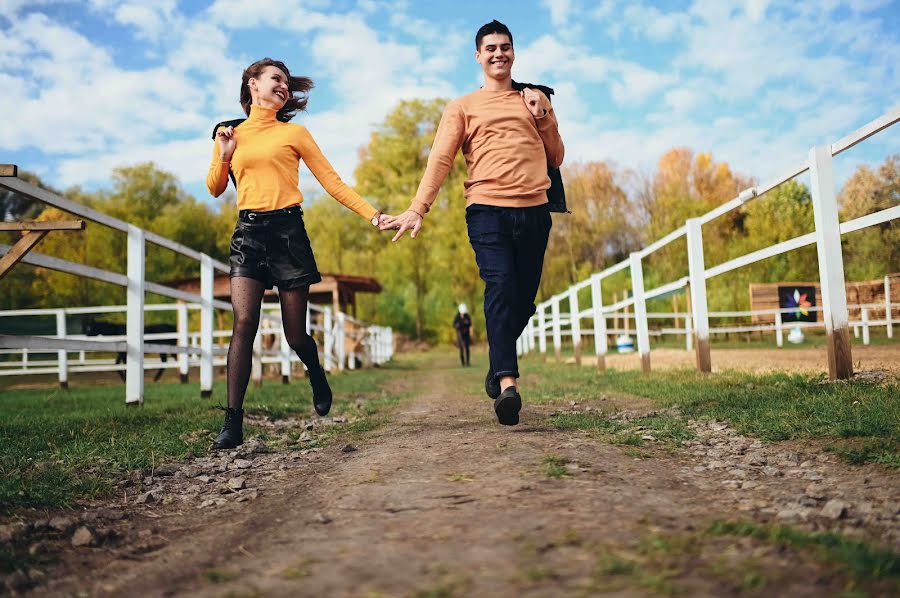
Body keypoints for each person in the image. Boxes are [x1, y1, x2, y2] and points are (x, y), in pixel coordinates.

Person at [382, 20, 564, 426]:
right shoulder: (462, 106)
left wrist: (544, 114)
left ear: (514, 52)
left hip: (535, 211)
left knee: (524, 302)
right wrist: (418, 207)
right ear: (478, 56)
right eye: (491, 48)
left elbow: (556, 158)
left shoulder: (535, 98)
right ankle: (507, 386)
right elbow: (441, 160)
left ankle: (497, 359)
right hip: (487, 211)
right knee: (499, 286)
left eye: (506, 47)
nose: (499, 53)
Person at [207, 58, 389, 449]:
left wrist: (373, 216)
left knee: (294, 335)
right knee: (244, 323)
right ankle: (232, 423)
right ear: (252, 84)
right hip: (249, 234)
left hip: (289, 234)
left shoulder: (296, 134)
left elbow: (333, 182)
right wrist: (224, 153)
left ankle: (315, 369)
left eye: (287, 83)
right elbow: (215, 188)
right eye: (276, 79)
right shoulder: (228, 133)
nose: (284, 87)